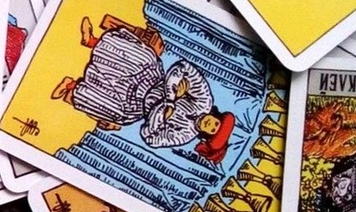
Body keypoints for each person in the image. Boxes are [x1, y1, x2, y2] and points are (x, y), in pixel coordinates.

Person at [50, 16, 236, 163]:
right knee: (143, 57)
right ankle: (91, 41)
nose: (211, 125)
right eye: (216, 123)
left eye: (213, 130)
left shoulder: (184, 134)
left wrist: (160, 115)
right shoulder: (204, 101)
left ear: (206, 135)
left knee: (118, 111)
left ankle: (71, 85)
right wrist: (171, 97)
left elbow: (151, 137)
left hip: (137, 106)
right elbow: (184, 69)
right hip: (152, 79)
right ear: (217, 116)